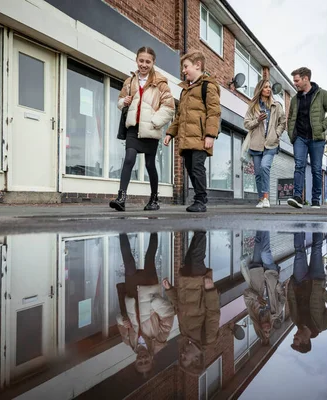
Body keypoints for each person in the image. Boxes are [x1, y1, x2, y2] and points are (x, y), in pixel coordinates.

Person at [110, 46, 175, 212]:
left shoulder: (160, 83)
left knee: (149, 164)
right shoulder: (130, 81)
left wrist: (154, 122)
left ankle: (154, 199)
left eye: (148, 61)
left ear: (153, 62)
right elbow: (119, 101)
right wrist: (124, 101)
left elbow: (169, 107)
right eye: (141, 61)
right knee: (129, 158)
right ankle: (121, 197)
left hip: (151, 129)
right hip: (133, 127)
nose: (144, 64)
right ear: (136, 60)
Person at [164, 51, 221, 213]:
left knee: (197, 167)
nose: (183, 70)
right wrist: (170, 133)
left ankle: (200, 199)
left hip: (201, 137)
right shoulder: (185, 91)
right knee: (189, 167)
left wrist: (210, 135)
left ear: (198, 65)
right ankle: (199, 197)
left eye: (186, 66)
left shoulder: (208, 87)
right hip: (187, 138)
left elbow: (214, 112)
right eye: (183, 67)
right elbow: (180, 116)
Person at [115, 232, 175, 375]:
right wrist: (154, 303)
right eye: (146, 362)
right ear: (152, 360)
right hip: (148, 290)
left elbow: (118, 320)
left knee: (128, 262)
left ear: (135, 361)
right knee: (150, 258)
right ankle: (153, 225)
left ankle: (121, 228)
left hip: (132, 293)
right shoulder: (160, 340)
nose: (142, 359)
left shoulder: (129, 341)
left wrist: (123, 321)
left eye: (139, 362)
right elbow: (168, 315)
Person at [161, 231, 220, 375]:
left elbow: (180, 307)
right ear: (196, 359)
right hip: (199, 287)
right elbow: (213, 313)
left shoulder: (184, 334)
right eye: (185, 358)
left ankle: (199, 229)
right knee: (196, 258)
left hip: (186, 286)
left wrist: (169, 290)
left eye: (181, 357)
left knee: (188, 259)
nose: (182, 354)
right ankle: (202, 226)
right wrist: (210, 290)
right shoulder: (208, 338)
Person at [286, 67, 327, 209]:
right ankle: (297, 197)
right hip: (300, 138)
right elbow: (290, 117)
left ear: (306, 79)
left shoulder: (322, 94)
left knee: (316, 169)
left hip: (317, 139)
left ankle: (315, 199)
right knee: (299, 166)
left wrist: (322, 126)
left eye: (297, 81)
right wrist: (291, 134)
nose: (295, 83)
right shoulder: (295, 99)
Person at [288, 232, 327, 353]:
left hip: (299, 282)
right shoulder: (322, 325)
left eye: (294, 337)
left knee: (299, 251)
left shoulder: (295, 320)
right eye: (297, 338)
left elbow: (291, 300)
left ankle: (298, 223)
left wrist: (291, 285)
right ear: (306, 341)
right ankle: (317, 223)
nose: (295, 335)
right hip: (316, 281)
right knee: (316, 248)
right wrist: (322, 292)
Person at [244, 80, 286, 208]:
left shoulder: (276, 105)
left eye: (269, 87)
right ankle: (261, 199)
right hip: (256, 144)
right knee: (257, 173)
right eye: (265, 87)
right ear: (260, 89)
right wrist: (257, 120)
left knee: (264, 167)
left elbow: (282, 122)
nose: (268, 89)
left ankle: (266, 198)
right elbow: (246, 124)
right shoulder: (253, 106)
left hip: (271, 143)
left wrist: (277, 134)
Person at [241, 231, 286, 345]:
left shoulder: (253, 311)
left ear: (259, 328)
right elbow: (282, 296)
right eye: (269, 331)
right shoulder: (276, 312)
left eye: (264, 331)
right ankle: (265, 223)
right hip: (270, 274)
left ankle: (260, 222)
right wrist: (277, 285)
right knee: (265, 252)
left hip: (256, 272)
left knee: (258, 243)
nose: (268, 329)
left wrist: (257, 297)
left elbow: (246, 293)